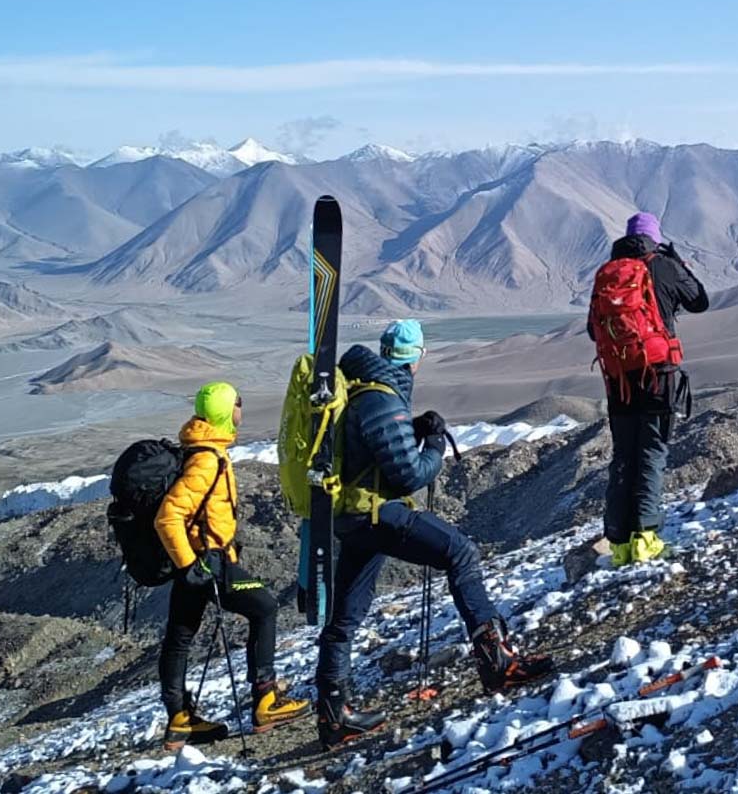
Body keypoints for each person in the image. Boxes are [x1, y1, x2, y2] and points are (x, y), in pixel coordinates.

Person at [312, 320, 554, 748]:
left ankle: (333, 715)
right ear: (416, 358)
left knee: (345, 616)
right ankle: (496, 661)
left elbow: (377, 447)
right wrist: (435, 446)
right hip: (377, 514)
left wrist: (413, 429)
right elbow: (408, 475)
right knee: (461, 553)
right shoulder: (382, 399)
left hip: (352, 517)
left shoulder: (362, 389)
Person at [155, 381, 310, 749]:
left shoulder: (201, 449)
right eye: (238, 403)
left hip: (195, 562)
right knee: (265, 607)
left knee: (179, 635)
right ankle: (266, 701)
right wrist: (192, 565)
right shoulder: (207, 459)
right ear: (226, 411)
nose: (242, 409)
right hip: (206, 563)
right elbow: (168, 516)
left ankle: (179, 720)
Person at [587, 212, 711, 566]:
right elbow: (699, 301)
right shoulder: (664, 266)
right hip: (658, 374)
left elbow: (594, 330)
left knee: (624, 455)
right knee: (651, 453)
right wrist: (677, 263)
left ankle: (619, 545)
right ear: (654, 238)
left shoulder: (608, 274)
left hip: (619, 380)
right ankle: (646, 539)